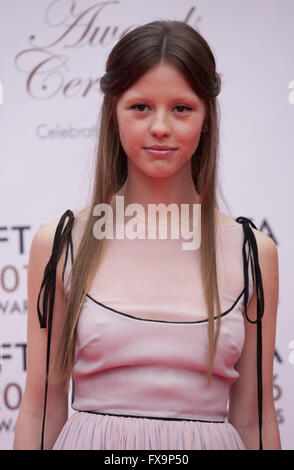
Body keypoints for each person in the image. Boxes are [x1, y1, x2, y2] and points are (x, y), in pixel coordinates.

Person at [13, 20, 281, 450]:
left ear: (207, 117)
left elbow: (254, 421)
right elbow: (40, 410)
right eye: (140, 107)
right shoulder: (62, 245)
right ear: (114, 114)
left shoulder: (253, 253)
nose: (160, 126)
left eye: (181, 108)